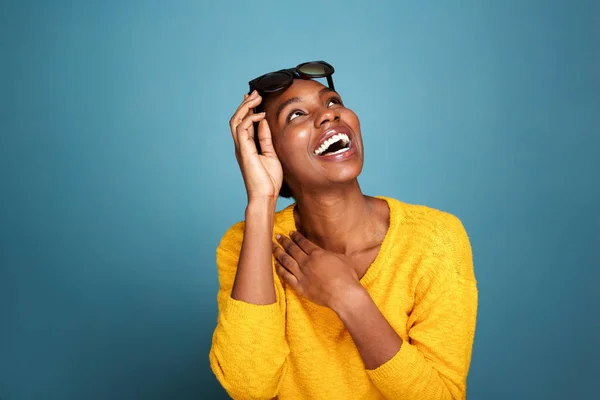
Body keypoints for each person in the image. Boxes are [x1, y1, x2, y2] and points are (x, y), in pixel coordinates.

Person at [209, 61, 478, 400]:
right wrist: (262, 202)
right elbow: (249, 386)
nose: (328, 115)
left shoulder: (435, 239)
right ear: (269, 152)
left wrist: (349, 299)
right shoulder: (245, 243)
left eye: (332, 101)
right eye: (295, 115)